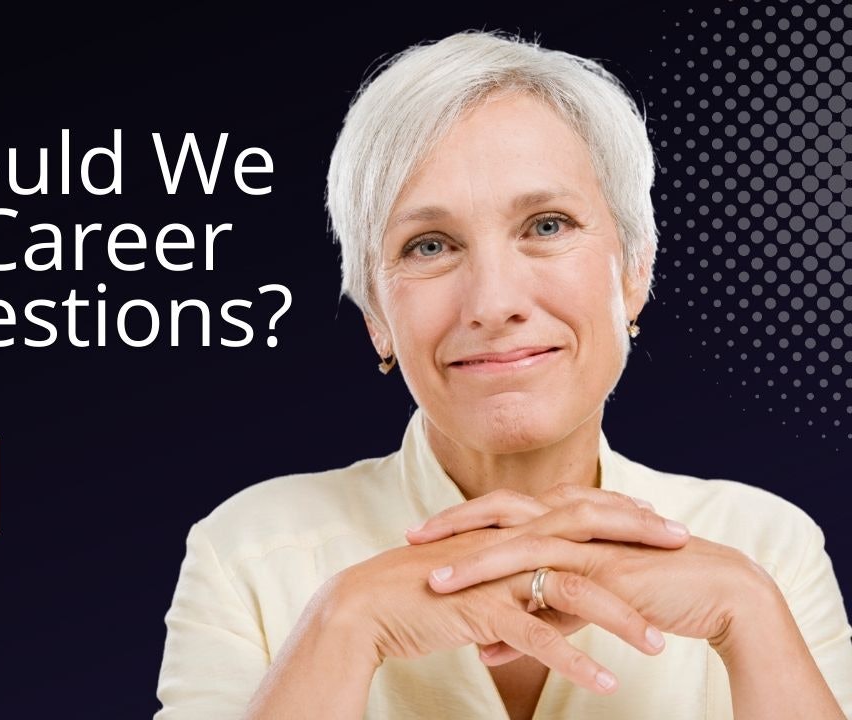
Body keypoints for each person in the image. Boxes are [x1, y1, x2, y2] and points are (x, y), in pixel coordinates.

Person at [154, 30, 852, 719]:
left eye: (547, 226)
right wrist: (344, 626)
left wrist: (750, 616)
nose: (493, 304)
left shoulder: (763, 549)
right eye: (429, 245)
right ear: (376, 313)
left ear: (636, 271)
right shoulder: (247, 553)